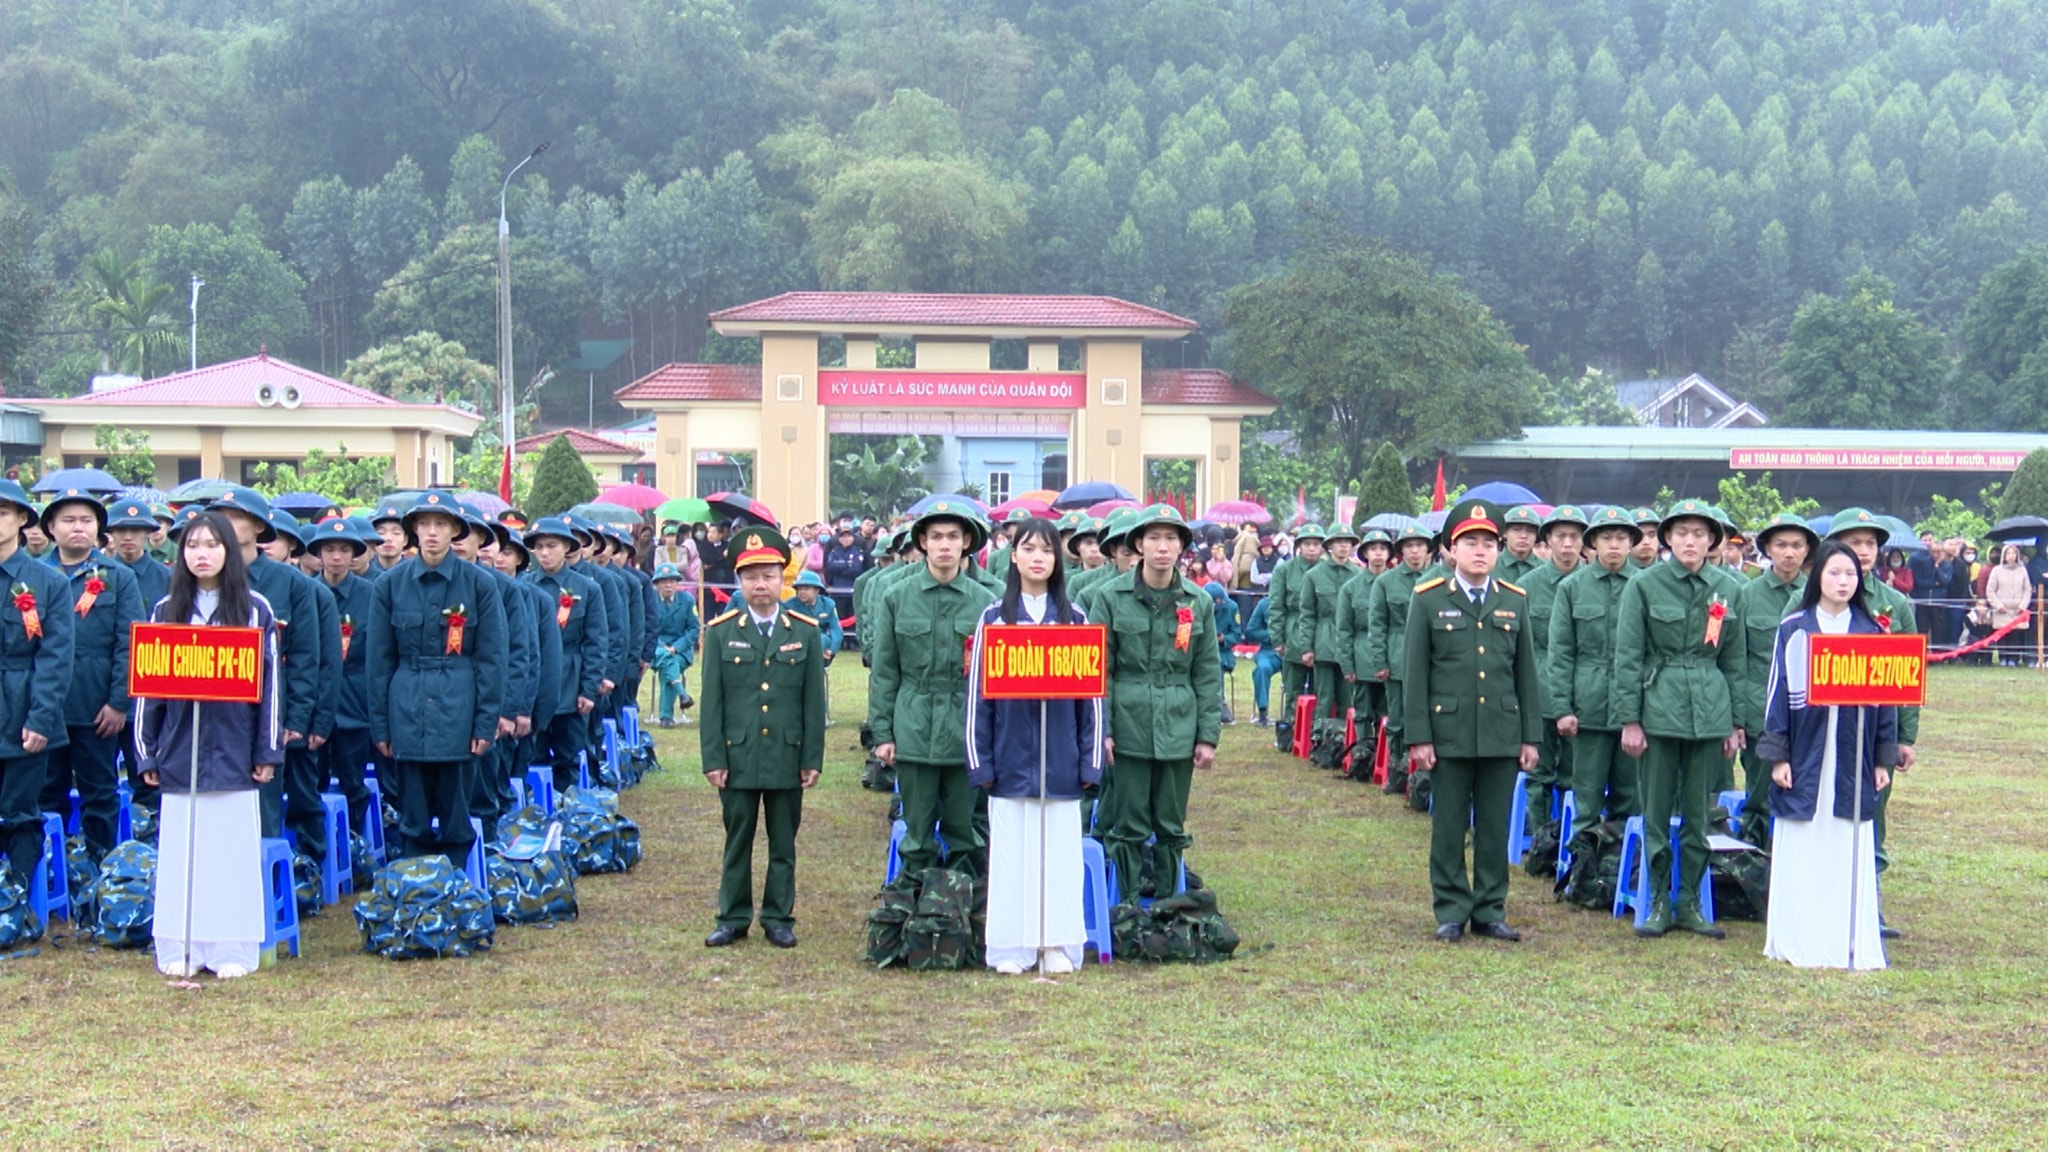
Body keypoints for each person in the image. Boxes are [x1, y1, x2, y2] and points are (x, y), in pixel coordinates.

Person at [136, 510, 283, 979]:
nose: (203, 554)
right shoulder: (165, 611)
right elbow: (148, 691)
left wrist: (266, 751)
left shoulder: (255, 609)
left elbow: (271, 687)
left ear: (230, 551)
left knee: (230, 852)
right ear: (181, 553)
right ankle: (182, 944)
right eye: (193, 545)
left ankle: (230, 948)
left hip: (235, 747)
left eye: (213, 545)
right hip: (180, 750)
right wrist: (147, 752)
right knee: (184, 852)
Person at [967, 517, 1103, 974]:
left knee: (1060, 854)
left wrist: (1090, 761)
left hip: (1062, 760)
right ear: (1013, 555)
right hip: (1009, 759)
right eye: (1029, 548)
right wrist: (980, 760)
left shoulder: (1076, 618)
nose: (1038, 558)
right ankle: (1011, 948)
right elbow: (977, 699)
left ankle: (1059, 944)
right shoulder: (994, 618)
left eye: (1047, 549)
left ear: (1059, 557)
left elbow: (1092, 699)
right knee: (1011, 855)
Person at [1404, 500, 1541, 942]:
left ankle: (1489, 908)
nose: (1479, 551)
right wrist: (1420, 737)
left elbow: (1526, 673)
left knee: (1495, 826)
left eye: (1488, 543)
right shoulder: (1428, 600)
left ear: (1499, 550)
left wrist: (1530, 737)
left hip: (1501, 731)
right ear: (1450, 549)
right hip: (1449, 733)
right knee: (1448, 826)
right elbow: (1417, 673)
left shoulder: (1514, 601)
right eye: (1470, 543)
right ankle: (1450, 908)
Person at [1612, 498, 1749, 940]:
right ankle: (1655, 899)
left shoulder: (1729, 589)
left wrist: (1735, 722)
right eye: (1682, 533)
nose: (1690, 541)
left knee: (1697, 812)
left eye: (1699, 533)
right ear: (1667, 538)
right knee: (1654, 811)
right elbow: (1628, 656)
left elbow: (1736, 661)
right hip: (1658, 707)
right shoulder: (1645, 586)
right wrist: (1629, 720)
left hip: (1710, 710)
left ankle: (1688, 901)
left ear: (1713, 540)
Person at [1758, 540, 1897, 970]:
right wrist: (1779, 757)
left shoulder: (1872, 633)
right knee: (1804, 834)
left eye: (1851, 574)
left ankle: (1847, 938)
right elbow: (1777, 697)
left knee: (1846, 836)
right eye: (1835, 572)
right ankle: (1799, 934)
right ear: (1817, 575)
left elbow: (1887, 703)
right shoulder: (1795, 629)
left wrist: (1882, 759)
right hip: (1805, 751)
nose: (1843, 581)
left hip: (1852, 754)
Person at [699, 526, 825, 949]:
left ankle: (777, 917)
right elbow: (712, 703)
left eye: (769, 574)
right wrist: (713, 758)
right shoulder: (720, 631)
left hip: (787, 754)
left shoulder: (805, 630)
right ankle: (732, 917)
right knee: (737, 840)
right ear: (738, 581)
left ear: (782, 578)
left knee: (783, 843)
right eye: (751, 576)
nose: (760, 585)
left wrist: (812, 758)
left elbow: (813, 703)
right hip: (738, 754)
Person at [364, 492, 507, 864]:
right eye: (424, 524)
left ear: (456, 530)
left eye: (440, 524)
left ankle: (456, 887)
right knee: (412, 810)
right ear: (413, 530)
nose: (431, 533)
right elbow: (379, 661)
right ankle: (415, 884)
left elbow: (492, 659)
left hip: (459, 705)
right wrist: (381, 727)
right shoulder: (389, 585)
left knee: (457, 808)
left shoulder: (480, 584)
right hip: (406, 704)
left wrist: (485, 723)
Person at [1096, 505, 1221, 903]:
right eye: (1153, 538)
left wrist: (1208, 736)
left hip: (1178, 723)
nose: (1162, 548)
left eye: (1171, 539)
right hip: (1129, 720)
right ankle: (1128, 905)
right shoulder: (1110, 597)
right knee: (1128, 822)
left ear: (1182, 547)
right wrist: (1105, 730)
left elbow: (1206, 671)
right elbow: (1101, 671)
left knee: (1170, 822)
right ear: (1138, 544)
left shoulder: (1197, 601)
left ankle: (1170, 905)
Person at [868, 501, 998, 880]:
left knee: (964, 831)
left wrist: (991, 736)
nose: (945, 545)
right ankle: (915, 908)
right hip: (914, 722)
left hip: (965, 726)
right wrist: (883, 734)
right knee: (918, 832)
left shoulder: (986, 602)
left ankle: (960, 912)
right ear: (922, 542)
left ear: (967, 543)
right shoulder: (896, 596)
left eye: (953, 537)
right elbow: (885, 671)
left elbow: (994, 678)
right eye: (936, 537)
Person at [1824, 508, 1918, 939]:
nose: (1862, 551)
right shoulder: (1811, 597)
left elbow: (1906, 679)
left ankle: (1868, 901)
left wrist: (1903, 738)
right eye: (1854, 542)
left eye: (1869, 543)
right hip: (1821, 729)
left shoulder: (1894, 603)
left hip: (1872, 730)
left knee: (1871, 813)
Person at [35, 491, 143, 863]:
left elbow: (130, 643)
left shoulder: (119, 577)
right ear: (51, 528)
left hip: (97, 708)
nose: (77, 527)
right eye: (68, 520)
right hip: (45, 709)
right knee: (47, 793)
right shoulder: (32, 576)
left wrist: (118, 703)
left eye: (86, 520)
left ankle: (102, 871)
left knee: (100, 793)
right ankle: (53, 870)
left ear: (99, 529)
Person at [1548, 507, 1642, 848]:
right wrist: (1562, 707)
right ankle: (1582, 868)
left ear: (1632, 543)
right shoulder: (1572, 587)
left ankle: (1621, 867)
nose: (1614, 545)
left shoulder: (1646, 585)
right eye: (1606, 538)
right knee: (1585, 795)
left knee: (1631, 797)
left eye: (1621, 538)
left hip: (1634, 707)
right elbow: (1560, 652)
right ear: (1593, 544)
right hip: (1587, 704)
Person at [0, 479, 74, 903]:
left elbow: (55, 656)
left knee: (20, 813)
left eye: (4, 513)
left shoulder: (47, 583)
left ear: (23, 520)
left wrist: (41, 718)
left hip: (24, 711)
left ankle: (20, 902)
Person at [1731, 513, 1817, 845]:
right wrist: (1737, 719)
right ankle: (1754, 868)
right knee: (1758, 796)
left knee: (1803, 793)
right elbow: (1736, 660)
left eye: (1797, 545)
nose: (1789, 553)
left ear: (1807, 550)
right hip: (1760, 716)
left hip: (1806, 714)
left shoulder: (1817, 595)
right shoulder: (1747, 595)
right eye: (1781, 545)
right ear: (1767, 548)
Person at [523, 518, 607, 789]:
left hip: (570, 676)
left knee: (568, 754)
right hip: (534, 674)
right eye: (539, 547)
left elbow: (596, 641)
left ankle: (567, 811)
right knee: (531, 752)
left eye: (552, 546)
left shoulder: (587, 588)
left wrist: (588, 689)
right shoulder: (523, 586)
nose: (545, 553)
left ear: (567, 548)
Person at [307, 518, 379, 836]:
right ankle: (317, 844)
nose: (336, 557)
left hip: (355, 698)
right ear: (319, 554)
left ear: (354, 555)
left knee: (353, 779)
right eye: (330, 549)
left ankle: (355, 843)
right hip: (315, 697)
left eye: (344, 550)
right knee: (312, 780)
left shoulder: (372, 594)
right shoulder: (305, 590)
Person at [1518, 505, 1587, 828]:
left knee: (1576, 772)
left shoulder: (1591, 582)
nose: (1568, 544)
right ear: (1548, 541)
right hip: (1539, 686)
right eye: (1561, 536)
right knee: (1539, 769)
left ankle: (1570, 836)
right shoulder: (1529, 585)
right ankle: (1539, 833)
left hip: (1582, 688)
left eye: (1575, 537)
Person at [1364, 522, 1435, 799]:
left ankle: (1426, 774)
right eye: (1409, 546)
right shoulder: (1386, 582)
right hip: (1398, 656)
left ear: (1428, 549)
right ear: (1401, 551)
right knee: (1397, 718)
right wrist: (1379, 661)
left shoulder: (1441, 577)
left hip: (1433, 657)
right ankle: (1397, 769)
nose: (1415, 551)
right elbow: (1377, 625)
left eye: (1419, 545)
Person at [651, 563, 701, 727]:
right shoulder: (649, 601)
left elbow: (694, 629)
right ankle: (681, 696)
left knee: (669, 666)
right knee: (667, 661)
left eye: (672, 581)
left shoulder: (687, 600)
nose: (668, 585)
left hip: (680, 651)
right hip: (655, 648)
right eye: (664, 581)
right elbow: (646, 628)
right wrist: (663, 647)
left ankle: (666, 716)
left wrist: (676, 648)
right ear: (657, 584)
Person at [1985, 543, 2031, 666]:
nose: (2011, 556)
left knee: (2016, 635)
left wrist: (2023, 606)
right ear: (2004, 556)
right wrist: (1998, 605)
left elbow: (2027, 589)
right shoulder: (1996, 570)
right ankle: (2003, 658)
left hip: (2017, 610)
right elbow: (1990, 590)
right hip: (2002, 609)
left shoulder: (2022, 570)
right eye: (2008, 553)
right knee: (2002, 635)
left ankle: (2014, 659)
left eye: (2013, 553)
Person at [1243, 594, 1281, 727]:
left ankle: (1298, 714)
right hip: (1268, 650)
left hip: (1294, 650)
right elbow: (1251, 631)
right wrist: (1273, 636)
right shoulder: (1264, 604)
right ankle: (1263, 713)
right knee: (1261, 669)